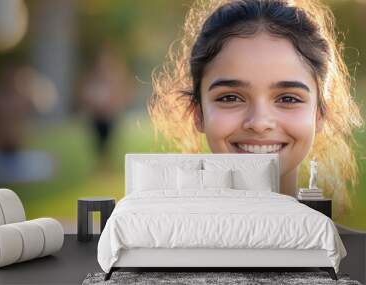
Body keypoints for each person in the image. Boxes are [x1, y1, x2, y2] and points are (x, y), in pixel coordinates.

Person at [149, 0, 363, 218]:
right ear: (198, 113)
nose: (260, 123)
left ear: (320, 113)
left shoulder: (355, 251)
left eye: (288, 98)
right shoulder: (161, 248)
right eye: (230, 97)